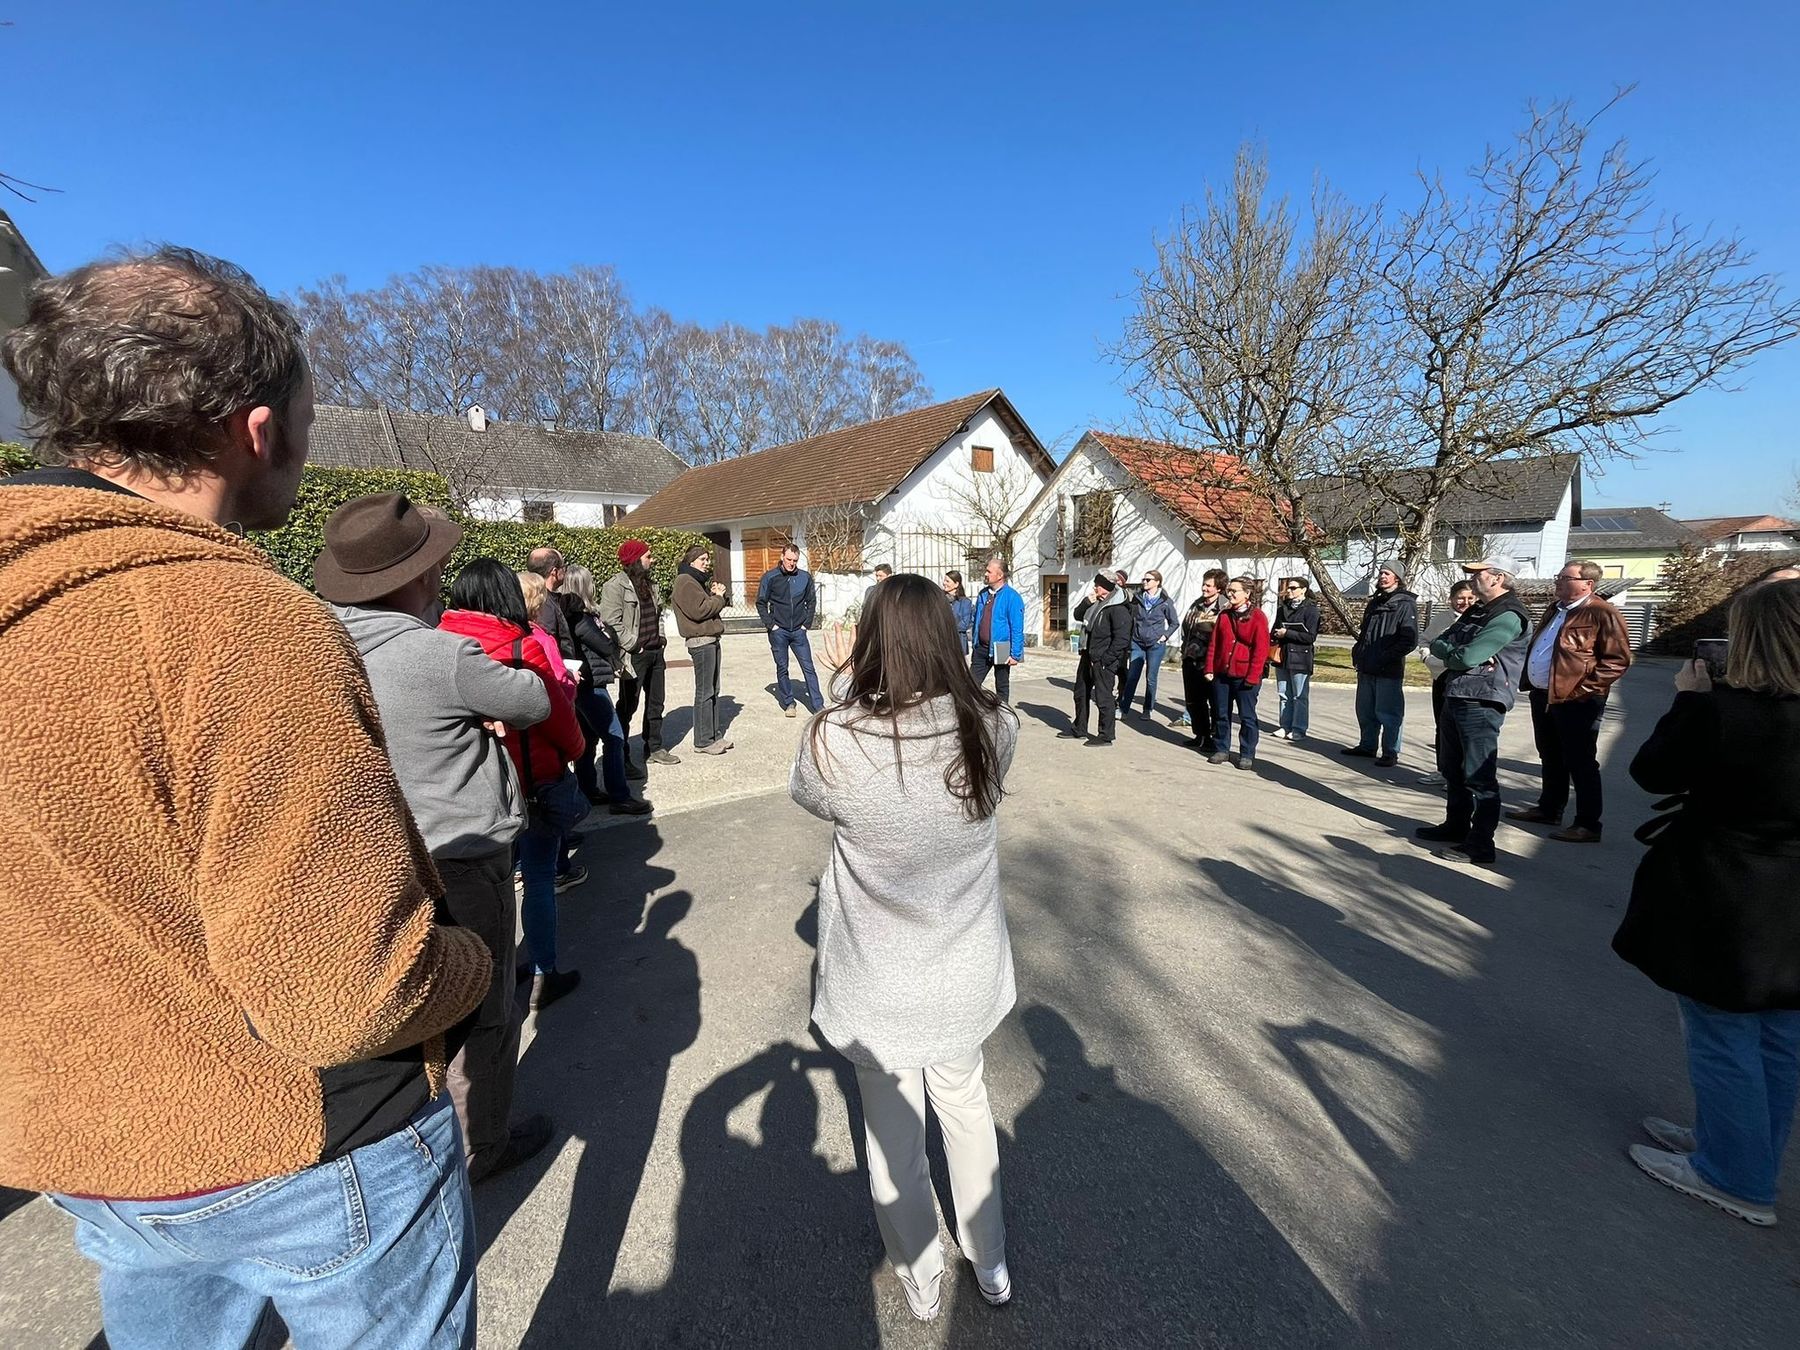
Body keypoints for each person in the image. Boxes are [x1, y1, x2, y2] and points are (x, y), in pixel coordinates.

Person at [0, 246, 490, 1348]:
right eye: (304, 424)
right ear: (254, 429)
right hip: (302, 1144)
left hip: (88, 1147)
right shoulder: (236, 621)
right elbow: (343, 997)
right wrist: (466, 965)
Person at [790, 574, 1019, 1322]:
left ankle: (921, 1269)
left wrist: (838, 684)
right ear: (951, 641)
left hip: (878, 981)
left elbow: (810, 791)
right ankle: (990, 1258)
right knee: (966, 1106)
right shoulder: (996, 726)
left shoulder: (835, 738)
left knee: (893, 1134)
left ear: (873, 645)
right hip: (962, 970)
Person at [317, 493, 556, 1184]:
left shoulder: (319, 643)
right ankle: (484, 1142)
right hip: (462, 847)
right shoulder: (441, 655)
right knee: (486, 1005)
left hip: (375, 854)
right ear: (419, 578)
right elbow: (534, 701)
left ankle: (416, 1137)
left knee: (409, 1004)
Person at [1612, 579, 1800, 1227]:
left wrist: (1689, 704)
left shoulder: (1729, 711)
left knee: (1723, 1034)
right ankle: (1740, 1151)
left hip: (1731, 894)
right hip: (1788, 903)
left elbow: (1653, 772)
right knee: (1777, 1035)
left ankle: (1733, 1176)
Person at [442, 560, 589, 1011]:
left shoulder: (436, 646)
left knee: (491, 887)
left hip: (469, 793)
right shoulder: (523, 647)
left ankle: (488, 977)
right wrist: (574, 752)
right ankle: (543, 971)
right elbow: (559, 720)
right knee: (540, 879)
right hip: (532, 782)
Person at [1414, 560, 1532, 868]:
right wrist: (1454, 654)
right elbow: (1441, 642)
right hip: (1458, 692)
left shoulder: (1508, 615)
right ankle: (1456, 826)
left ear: (1497, 578)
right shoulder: (1478, 610)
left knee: (1479, 775)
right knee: (1453, 769)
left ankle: (1481, 844)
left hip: (1482, 700)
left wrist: (1455, 654)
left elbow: (1469, 655)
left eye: (1478, 573)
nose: (1472, 578)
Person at [1506, 559, 1633, 844]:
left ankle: (1587, 824)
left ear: (1587, 584)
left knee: (1580, 761)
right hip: (1545, 695)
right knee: (1550, 755)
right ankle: (1549, 808)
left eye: (1565, 578)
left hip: (1578, 700)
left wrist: (1582, 690)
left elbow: (1617, 661)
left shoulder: (1602, 613)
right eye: (1558, 576)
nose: (1558, 582)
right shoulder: (1556, 609)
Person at [560, 565, 651, 814]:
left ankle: (588, 789)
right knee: (614, 737)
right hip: (591, 685)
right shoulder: (580, 617)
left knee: (588, 739)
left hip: (583, 685)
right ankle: (619, 796)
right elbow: (607, 644)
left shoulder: (569, 616)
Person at [602, 538, 679, 767]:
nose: (652, 559)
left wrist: (661, 637)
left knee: (657, 703)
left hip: (656, 653)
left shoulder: (651, 584)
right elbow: (611, 621)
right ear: (635, 560)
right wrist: (634, 645)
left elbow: (658, 615)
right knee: (628, 706)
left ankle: (654, 747)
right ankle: (621, 755)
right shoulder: (615, 586)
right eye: (648, 556)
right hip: (634, 656)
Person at [1342, 563, 1418, 767]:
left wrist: (1385, 657)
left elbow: (1409, 640)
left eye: (1387, 573)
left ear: (1397, 578)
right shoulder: (1374, 603)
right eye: (1381, 573)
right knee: (1365, 711)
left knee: (1389, 713)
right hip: (1366, 666)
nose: (1382, 576)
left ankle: (1390, 752)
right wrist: (1358, 653)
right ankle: (1367, 746)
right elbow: (1365, 634)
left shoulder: (1405, 604)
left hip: (1388, 669)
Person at [672, 543, 732, 754]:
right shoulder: (685, 582)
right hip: (701, 642)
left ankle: (714, 735)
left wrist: (715, 597)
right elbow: (700, 610)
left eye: (708, 559)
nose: (707, 563)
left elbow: (707, 607)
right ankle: (703, 740)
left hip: (710, 640)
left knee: (713, 689)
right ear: (691, 562)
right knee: (705, 691)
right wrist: (718, 598)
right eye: (702, 560)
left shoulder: (695, 581)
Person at [1206, 575, 1271, 769]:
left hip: (1245, 675)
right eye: (1229, 591)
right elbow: (1214, 643)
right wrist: (1209, 668)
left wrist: (1253, 676)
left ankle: (1247, 753)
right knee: (1220, 714)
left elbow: (1261, 650)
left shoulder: (1257, 616)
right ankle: (1222, 749)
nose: (1230, 594)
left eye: (1235, 591)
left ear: (1247, 593)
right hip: (1222, 673)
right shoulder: (1225, 615)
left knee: (1247, 717)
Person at [1418, 580, 1478, 786]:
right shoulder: (1442, 618)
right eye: (1460, 598)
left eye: (1471, 598)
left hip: (1467, 679)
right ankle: (1443, 770)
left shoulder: (1482, 618)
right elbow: (1425, 640)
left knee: (1463, 729)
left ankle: (1462, 776)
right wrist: (1427, 659)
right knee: (1442, 726)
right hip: (1442, 676)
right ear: (1451, 599)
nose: (1465, 602)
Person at [1059, 572, 1129, 745]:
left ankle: (1106, 735)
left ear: (1104, 586)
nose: (1094, 587)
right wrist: (1086, 602)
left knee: (1103, 697)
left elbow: (1122, 638)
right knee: (1080, 692)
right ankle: (1080, 728)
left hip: (1103, 658)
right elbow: (1077, 615)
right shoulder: (1095, 601)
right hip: (1087, 653)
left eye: (1097, 584)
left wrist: (1106, 659)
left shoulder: (1118, 607)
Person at [756, 542, 824, 718]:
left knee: (808, 668)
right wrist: (772, 625)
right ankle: (789, 703)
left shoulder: (805, 577)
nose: (791, 563)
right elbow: (761, 603)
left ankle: (818, 706)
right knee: (782, 667)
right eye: (788, 559)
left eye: (795, 560)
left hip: (798, 632)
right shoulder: (770, 577)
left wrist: (806, 624)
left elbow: (812, 601)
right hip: (779, 632)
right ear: (782, 557)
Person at [1119, 569, 1180, 718]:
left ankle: (1147, 709)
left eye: (1148, 580)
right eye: (1144, 579)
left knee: (1151, 678)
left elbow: (1174, 623)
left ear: (1157, 582)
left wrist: (1164, 636)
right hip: (1137, 643)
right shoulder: (1137, 598)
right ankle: (1123, 709)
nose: (1144, 582)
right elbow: (1130, 617)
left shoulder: (1165, 601)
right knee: (1132, 676)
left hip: (1155, 645)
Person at [1177, 569, 1228, 745]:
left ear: (1219, 588)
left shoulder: (1225, 608)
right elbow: (1186, 627)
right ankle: (1200, 734)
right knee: (1193, 700)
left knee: (1214, 702)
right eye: (1204, 584)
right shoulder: (1197, 604)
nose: (1204, 588)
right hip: (1191, 658)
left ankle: (1213, 739)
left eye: (1208, 585)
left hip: (1210, 662)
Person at [1270, 576, 1321, 742]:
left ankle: (1299, 728)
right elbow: (1274, 629)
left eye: (1293, 588)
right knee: (1284, 693)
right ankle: (1285, 725)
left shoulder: (1311, 609)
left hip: (1301, 656)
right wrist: (1277, 634)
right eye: (1288, 588)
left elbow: (1310, 636)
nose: (1289, 591)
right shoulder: (1282, 608)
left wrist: (1288, 633)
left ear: (1303, 590)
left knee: (1299, 696)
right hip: (1283, 656)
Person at [970, 555, 1025, 703]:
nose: (985, 574)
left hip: (1001, 648)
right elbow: (977, 618)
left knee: (1001, 686)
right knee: (970, 685)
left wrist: (1015, 654)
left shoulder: (1012, 597)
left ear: (1000, 575)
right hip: (981, 648)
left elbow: (1017, 628)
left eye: (989, 571)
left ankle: (1004, 718)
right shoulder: (983, 594)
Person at [526, 545, 577, 659]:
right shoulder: (543, 602)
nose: (565, 570)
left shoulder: (533, 597)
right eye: (563, 567)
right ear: (554, 572)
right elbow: (547, 643)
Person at [944, 569, 974, 653]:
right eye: (944, 581)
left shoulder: (965, 602)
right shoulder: (940, 600)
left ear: (956, 584)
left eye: (947, 581)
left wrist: (946, 627)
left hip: (959, 644)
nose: (944, 583)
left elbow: (965, 624)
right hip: (943, 644)